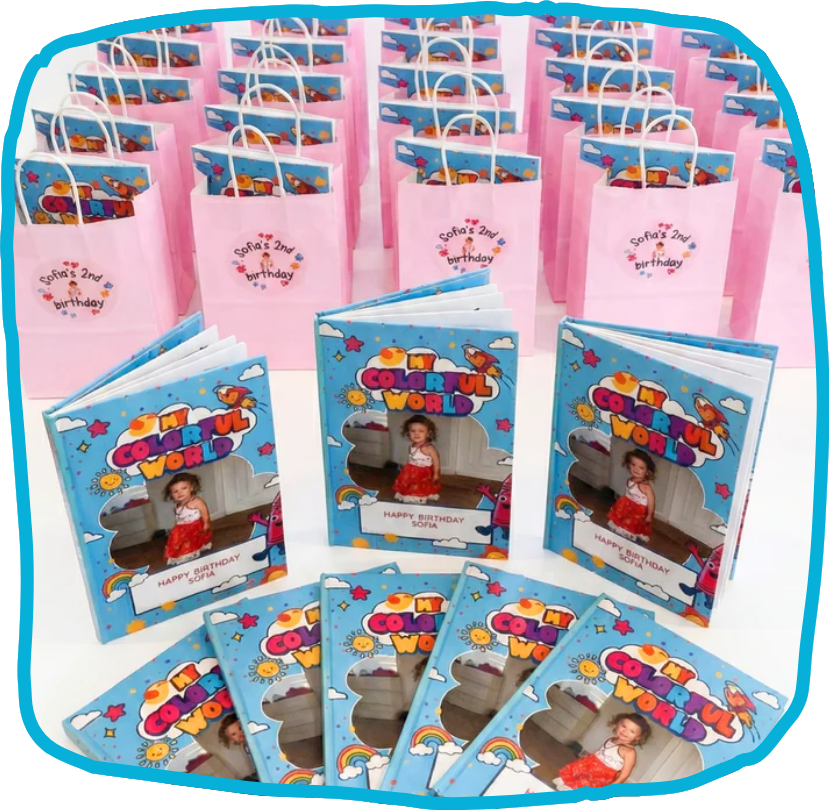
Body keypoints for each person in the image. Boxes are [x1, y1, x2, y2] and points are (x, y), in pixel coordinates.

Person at [553, 713, 651, 790]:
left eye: (632, 731)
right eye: (624, 726)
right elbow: (600, 753)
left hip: (601, 776)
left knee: (584, 785)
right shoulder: (611, 739)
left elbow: (624, 775)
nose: (625, 731)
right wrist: (586, 760)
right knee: (574, 776)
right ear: (618, 723)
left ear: (638, 737)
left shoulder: (629, 752)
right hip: (589, 767)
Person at [163, 473, 213, 566]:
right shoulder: (177, 505)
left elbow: (204, 512)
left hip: (193, 527)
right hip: (181, 529)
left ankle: (191, 555)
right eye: (175, 491)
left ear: (191, 488)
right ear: (171, 494)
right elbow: (179, 518)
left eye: (184, 488)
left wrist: (206, 523)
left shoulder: (196, 501)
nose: (180, 493)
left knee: (191, 543)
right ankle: (182, 557)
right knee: (177, 544)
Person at [607, 450, 656, 544]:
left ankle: (627, 542)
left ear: (647, 471)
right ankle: (617, 541)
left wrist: (649, 515)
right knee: (621, 524)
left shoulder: (646, 487)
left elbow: (651, 502)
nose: (636, 469)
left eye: (641, 467)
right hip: (626, 507)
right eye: (633, 464)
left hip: (637, 512)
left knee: (631, 527)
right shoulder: (630, 479)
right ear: (629, 465)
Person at [392, 416, 441, 504]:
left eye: (421, 431)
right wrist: (406, 468)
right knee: (409, 485)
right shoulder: (412, 445)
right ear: (408, 432)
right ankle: (410, 497)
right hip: (410, 470)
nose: (416, 434)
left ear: (428, 433)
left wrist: (436, 473)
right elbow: (410, 458)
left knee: (420, 486)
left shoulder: (429, 447)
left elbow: (436, 460)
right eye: (413, 431)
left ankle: (418, 498)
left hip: (423, 472)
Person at [218, 713, 259, 781]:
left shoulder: (253, 740)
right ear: (230, 739)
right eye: (233, 734)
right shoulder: (245, 746)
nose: (240, 734)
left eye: (240, 728)